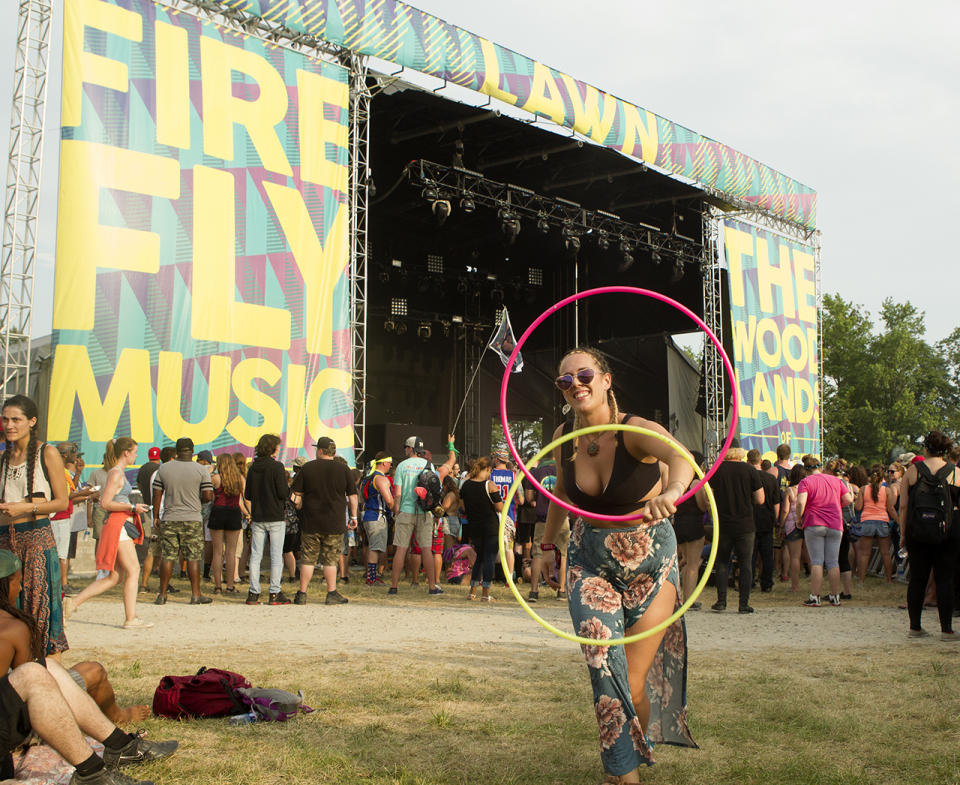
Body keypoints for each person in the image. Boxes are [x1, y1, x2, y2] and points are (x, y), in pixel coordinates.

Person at [542, 347, 697, 783]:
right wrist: (545, 542)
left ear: (607, 380)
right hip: (589, 563)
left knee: (630, 682)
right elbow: (561, 493)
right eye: (565, 380)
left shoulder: (635, 431)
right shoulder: (564, 437)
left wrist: (674, 492)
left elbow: (679, 456)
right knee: (603, 667)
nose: (576, 384)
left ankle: (632, 750)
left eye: (585, 374)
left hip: (651, 564)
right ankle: (622, 773)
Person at [0, 551, 177, 785]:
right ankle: (93, 773)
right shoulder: (12, 627)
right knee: (36, 674)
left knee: (47, 668)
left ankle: (119, 746)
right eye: (17, 582)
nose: (21, 588)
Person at [0, 394, 70, 657]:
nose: (9, 425)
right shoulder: (4, 457)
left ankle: (46, 669)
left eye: (16, 419)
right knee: (9, 611)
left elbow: (61, 502)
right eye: (5, 419)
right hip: (6, 543)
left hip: (36, 542)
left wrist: (25, 507)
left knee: (39, 610)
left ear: (31, 421)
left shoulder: (47, 452)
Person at [64, 439, 152, 629]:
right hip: (117, 525)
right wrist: (132, 506)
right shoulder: (115, 473)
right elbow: (105, 503)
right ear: (126, 453)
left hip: (119, 524)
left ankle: (73, 604)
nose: (137, 455)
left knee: (114, 577)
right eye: (135, 451)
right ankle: (130, 618)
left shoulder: (116, 472)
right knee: (133, 570)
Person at [900, 431, 960, 640]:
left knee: (917, 579)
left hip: (917, 531)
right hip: (948, 532)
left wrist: (902, 534)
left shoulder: (912, 472)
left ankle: (915, 627)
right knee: (945, 579)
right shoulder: (956, 473)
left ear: (925, 448)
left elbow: (904, 506)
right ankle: (947, 629)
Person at [290, 437, 357, 605]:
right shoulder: (344, 469)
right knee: (330, 559)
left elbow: (296, 494)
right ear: (333, 452)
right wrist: (354, 516)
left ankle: (302, 593)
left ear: (320, 451)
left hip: (311, 521)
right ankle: (331, 592)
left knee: (308, 558)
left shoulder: (308, 468)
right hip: (334, 522)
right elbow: (353, 496)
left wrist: (298, 504)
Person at [151, 438, 214, 606]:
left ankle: (162, 595)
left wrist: (156, 516)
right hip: (192, 518)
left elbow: (157, 494)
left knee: (168, 556)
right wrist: (197, 502)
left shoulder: (164, 468)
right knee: (193, 557)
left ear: (176, 451)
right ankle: (195, 595)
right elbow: (208, 496)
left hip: (170, 518)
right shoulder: (201, 470)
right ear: (192, 451)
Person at [709, 444, 763, 613]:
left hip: (723, 524)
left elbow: (707, 496)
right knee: (746, 563)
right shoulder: (749, 470)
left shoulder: (716, 470)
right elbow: (760, 499)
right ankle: (743, 604)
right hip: (745, 524)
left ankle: (721, 601)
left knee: (723, 562)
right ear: (739, 452)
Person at [796, 455, 854, 607]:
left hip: (814, 522)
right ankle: (835, 596)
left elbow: (801, 502)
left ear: (805, 470)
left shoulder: (805, 482)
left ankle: (815, 596)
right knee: (833, 561)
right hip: (835, 523)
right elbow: (848, 499)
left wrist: (798, 518)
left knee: (817, 561)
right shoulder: (835, 480)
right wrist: (836, 506)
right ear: (820, 467)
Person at [389, 437, 443, 595]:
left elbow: (397, 493)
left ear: (410, 449)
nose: (405, 449)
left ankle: (394, 586)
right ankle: (432, 586)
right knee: (426, 549)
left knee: (401, 549)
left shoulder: (401, 466)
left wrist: (397, 510)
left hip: (406, 510)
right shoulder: (429, 465)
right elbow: (436, 488)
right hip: (424, 511)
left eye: (406, 447)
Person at [244, 435, 290, 605]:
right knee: (276, 555)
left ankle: (253, 593)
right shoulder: (277, 467)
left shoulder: (253, 467)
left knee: (256, 555)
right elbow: (283, 493)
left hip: (258, 515)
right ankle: (274, 592)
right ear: (272, 448)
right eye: (277, 447)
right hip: (275, 516)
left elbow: (248, 494)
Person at [459, 457, 503, 602]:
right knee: (489, 558)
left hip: (474, 527)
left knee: (479, 559)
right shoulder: (490, 485)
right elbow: (499, 507)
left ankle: (472, 592)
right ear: (488, 469)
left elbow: (463, 507)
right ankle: (485, 593)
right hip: (490, 527)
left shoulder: (465, 485)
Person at [671, 451, 707, 608]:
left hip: (679, 523)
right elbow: (701, 505)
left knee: (684, 561)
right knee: (693, 563)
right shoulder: (696, 483)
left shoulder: (678, 481)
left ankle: (677, 597)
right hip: (693, 524)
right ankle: (689, 600)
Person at [208, 453, 247, 595]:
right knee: (231, 552)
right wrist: (249, 513)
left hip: (218, 512)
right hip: (233, 512)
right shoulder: (239, 478)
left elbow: (207, 496)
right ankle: (230, 585)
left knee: (218, 551)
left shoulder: (215, 478)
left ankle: (218, 586)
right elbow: (245, 498)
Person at [139, 447, 176, 594]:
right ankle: (164, 585)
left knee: (153, 550)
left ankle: (144, 584)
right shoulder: (167, 472)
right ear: (172, 458)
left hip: (156, 514)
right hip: (166, 515)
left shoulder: (156, 472)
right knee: (167, 551)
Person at [854, 464, 894, 582]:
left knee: (864, 553)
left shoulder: (863, 489)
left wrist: (856, 499)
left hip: (867, 521)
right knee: (885, 553)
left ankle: (861, 580)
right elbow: (890, 508)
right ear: (883, 477)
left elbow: (858, 507)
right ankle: (889, 579)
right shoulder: (887, 490)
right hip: (882, 521)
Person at [748, 449, 780, 593]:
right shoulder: (771, 479)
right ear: (761, 461)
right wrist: (776, 520)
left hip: (750, 521)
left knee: (750, 555)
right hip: (767, 521)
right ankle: (767, 583)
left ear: (748, 462)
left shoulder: (747, 478)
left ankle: (749, 582)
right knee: (767, 555)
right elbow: (776, 504)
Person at [360, 453, 394, 586]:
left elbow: (362, 498)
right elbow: (389, 501)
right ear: (384, 463)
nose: (390, 466)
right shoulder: (380, 479)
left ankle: (371, 576)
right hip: (377, 516)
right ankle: (372, 578)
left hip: (369, 514)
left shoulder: (367, 478)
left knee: (371, 546)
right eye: (389, 463)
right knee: (375, 548)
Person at [779, 465, 805, 592]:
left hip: (792, 525)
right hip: (806, 524)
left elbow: (785, 510)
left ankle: (794, 586)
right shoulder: (807, 489)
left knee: (794, 556)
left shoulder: (790, 490)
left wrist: (781, 525)